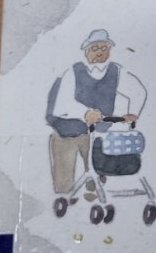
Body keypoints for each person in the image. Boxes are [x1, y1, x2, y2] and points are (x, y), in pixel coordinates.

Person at [47, 29, 147, 197]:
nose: (100, 52)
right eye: (95, 48)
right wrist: (85, 113)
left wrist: (133, 113)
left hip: (97, 132)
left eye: (104, 48)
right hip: (67, 132)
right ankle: (64, 201)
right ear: (87, 50)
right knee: (64, 181)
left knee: (99, 175)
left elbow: (139, 91)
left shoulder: (116, 71)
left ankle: (93, 200)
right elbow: (61, 105)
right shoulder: (73, 72)